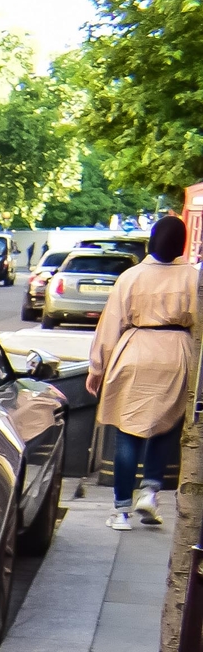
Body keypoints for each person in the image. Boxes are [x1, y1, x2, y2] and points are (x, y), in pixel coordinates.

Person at [88, 215, 194, 531]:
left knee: (127, 429)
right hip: (177, 352)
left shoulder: (131, 277)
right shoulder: (194, 278)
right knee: (167, 424)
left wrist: (97, 366)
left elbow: (111, 323)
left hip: (135, 349)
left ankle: (121, 511)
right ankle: (150, 490)